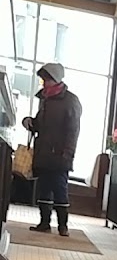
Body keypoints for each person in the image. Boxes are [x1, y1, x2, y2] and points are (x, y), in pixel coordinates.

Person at [22, 62, 82, 238]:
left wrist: (68, 154)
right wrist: (29, 122)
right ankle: (44, 223)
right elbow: (40, 125)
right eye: (43, 80)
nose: (44, 83)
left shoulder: (70, 100)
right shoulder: (45, 99)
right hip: (43, 152)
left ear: (55, 79)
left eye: (46, 79)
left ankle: (63, 225)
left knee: (60, 190)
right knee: (43, 189)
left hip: (60, 155)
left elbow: (73, 131)